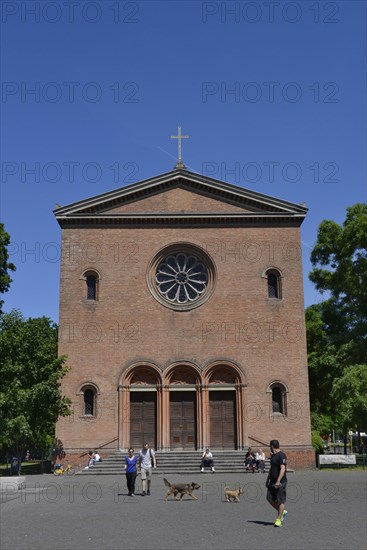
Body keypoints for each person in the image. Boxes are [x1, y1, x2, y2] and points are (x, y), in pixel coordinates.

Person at [266, 439, 287, 527]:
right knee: (269, 498)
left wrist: (278, 481)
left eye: (269, 447)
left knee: (280, 500)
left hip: (280, 481)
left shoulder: (281, 455)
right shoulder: (273, 456)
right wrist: (267, 479)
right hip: (272, 481)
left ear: (272, 446)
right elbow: (271, 469)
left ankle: (279, 519)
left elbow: (283, 468)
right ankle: (282, 512)